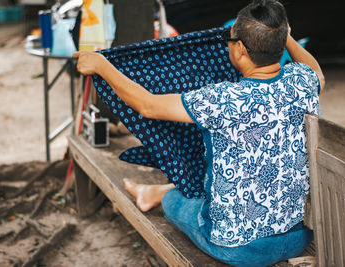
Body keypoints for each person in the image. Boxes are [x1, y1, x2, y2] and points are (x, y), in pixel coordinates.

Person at [74, 0, 325, 265]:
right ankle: (156, 191)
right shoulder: (301, 82)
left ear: (240, 49)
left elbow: (148, 105)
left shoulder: (222, 98)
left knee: (177, 203)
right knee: (212, 181)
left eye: (228, 38)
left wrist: (102, 66)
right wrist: (284, 37)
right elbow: (317, 71)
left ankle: (159, 195)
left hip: (239, 248)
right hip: (299, 236)